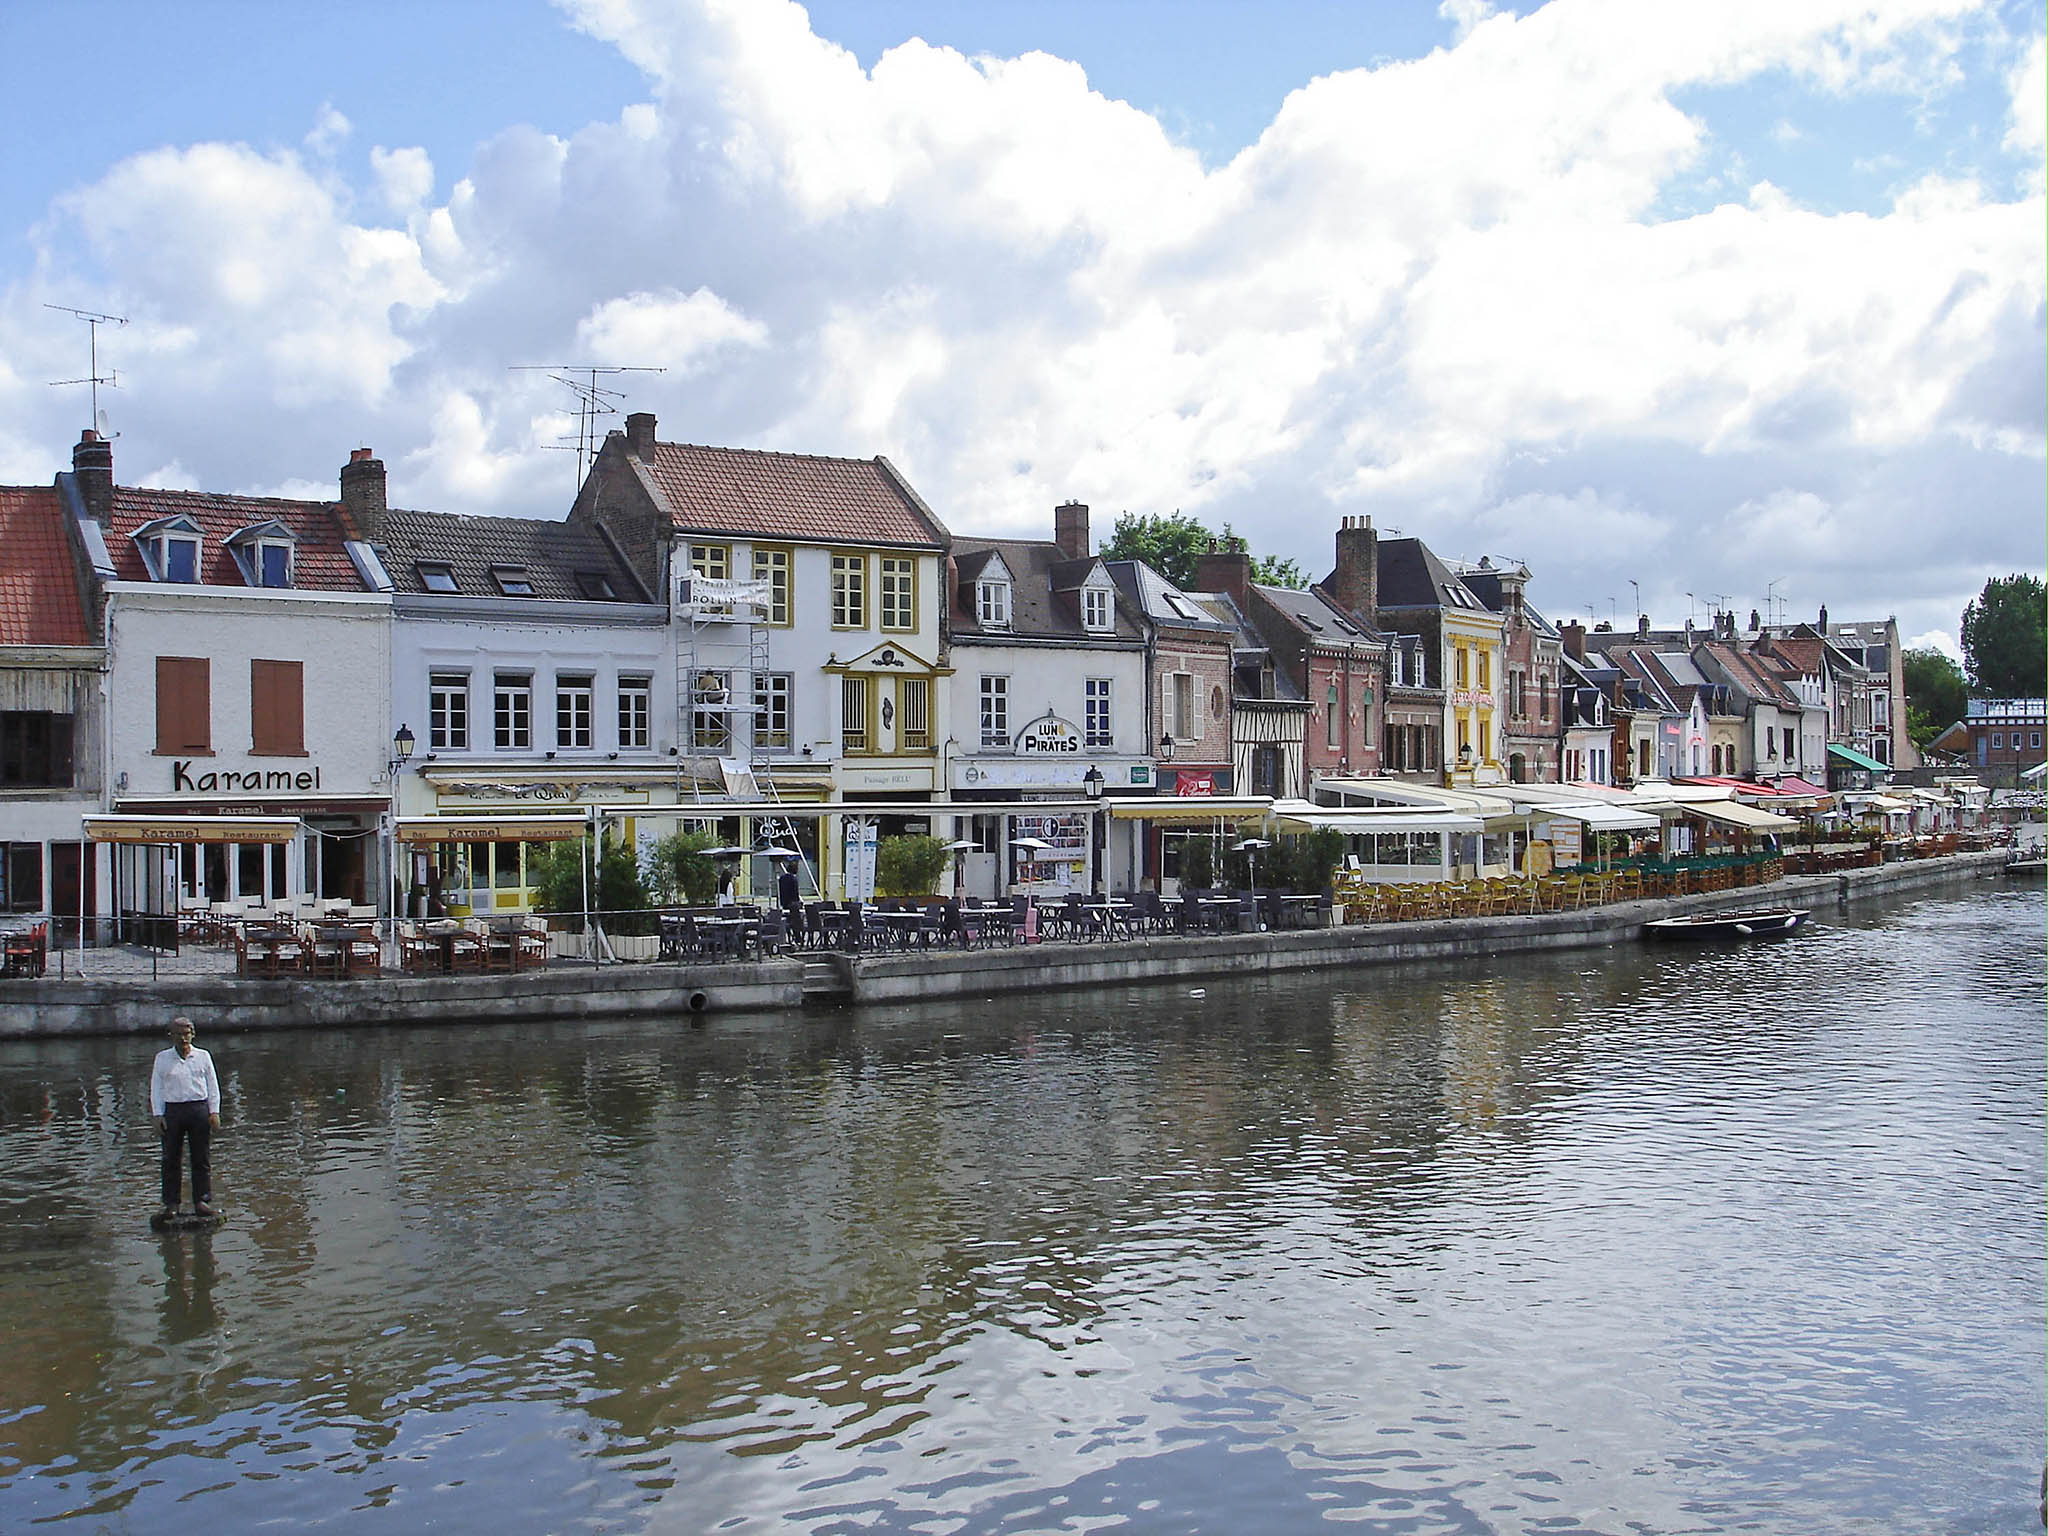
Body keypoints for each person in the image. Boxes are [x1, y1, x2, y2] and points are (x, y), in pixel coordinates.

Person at [150, 1016, 221, 1218]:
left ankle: (202, 1200)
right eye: (179, 1034)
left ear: (193, 1035)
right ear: (171, 1036)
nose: (183, 1038)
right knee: (170, 1159)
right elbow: (156, 1087)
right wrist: (157, 1114)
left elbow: (213, 1085)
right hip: (173, 1110)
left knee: (201, 1158)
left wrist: (214, 1111)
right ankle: (172, 1203)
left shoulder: (203, 1056)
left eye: (186, 1034)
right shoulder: (162, 1058)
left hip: (198, 1108)